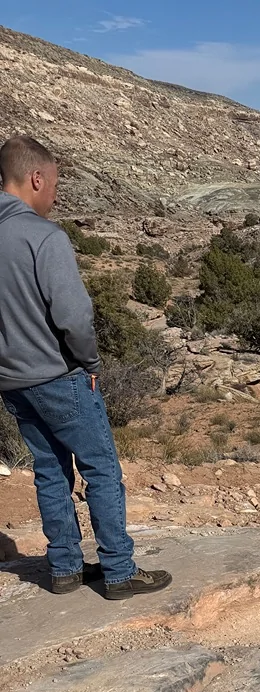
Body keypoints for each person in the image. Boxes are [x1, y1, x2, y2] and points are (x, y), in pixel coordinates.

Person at [0, 135, 171, 599]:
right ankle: (118, 571)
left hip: (12, 381)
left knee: (50, 471)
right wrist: (89, 362)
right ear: (36, 177)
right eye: (54, 184)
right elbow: (73, 316)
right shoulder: (44, 236)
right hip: (59, 376)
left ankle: (65, 570)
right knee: (100, 469)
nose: (55, 195)